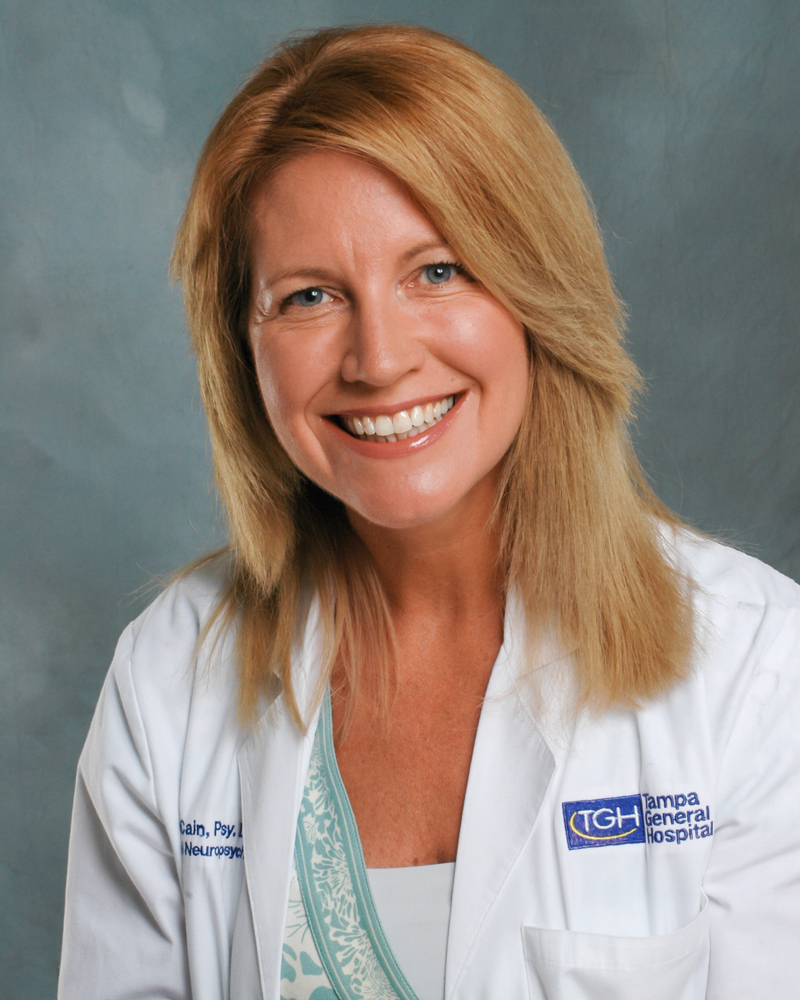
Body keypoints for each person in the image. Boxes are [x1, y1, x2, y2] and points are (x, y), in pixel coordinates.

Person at [58, 23, 800, 1000]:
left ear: (537, 291)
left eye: (437, 272)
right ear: (241, 347)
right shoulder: (167, 678)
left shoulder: (758, 671)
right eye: (309, 296)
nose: (378, 358)